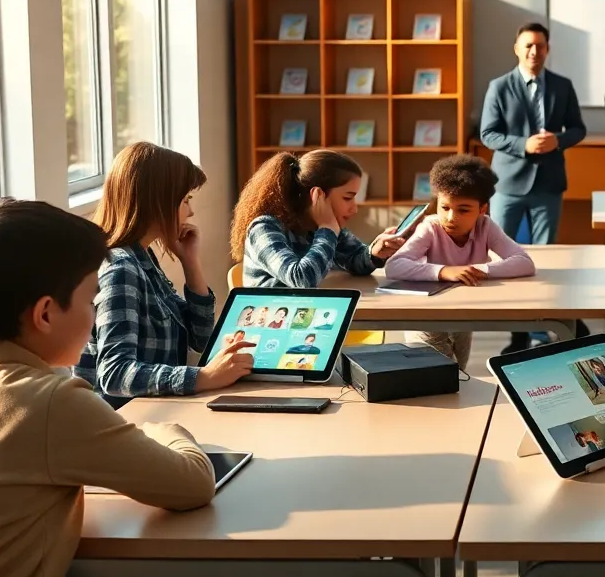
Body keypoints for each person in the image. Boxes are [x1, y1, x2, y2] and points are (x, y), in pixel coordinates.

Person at [0, 198, 302, 577]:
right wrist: (164, 430)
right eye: (90, 299)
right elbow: (193, 484)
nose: (96, 314)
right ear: (45, 314)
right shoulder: (50, 401)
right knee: (271, 567)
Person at [78, 143, 256, 407]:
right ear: (158, 202)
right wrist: (203, 377)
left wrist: (191, 263)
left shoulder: (143, 257)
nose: (191, 212)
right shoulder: (120, 270)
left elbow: (200, 339)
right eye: (185, 200)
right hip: (129, 425)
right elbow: (114, 375)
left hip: (160, 412)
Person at [480, 22, 586, 353]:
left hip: (548, 184)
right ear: (517, 48)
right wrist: (523, 144)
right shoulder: (499, 86)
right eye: (527, 46)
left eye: (539, 46)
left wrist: (558, 140)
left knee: (542, 260)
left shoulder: (562, 86)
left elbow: (579, 129)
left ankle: (542, 325)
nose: (533, 52)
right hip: (509, 184)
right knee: (504, 257)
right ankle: (518, 335)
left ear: (547, 49)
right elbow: (488, 134)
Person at [385, 154, 536, 367]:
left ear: (482, 209)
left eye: (463, 210)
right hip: (426, 316)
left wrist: (478, 269)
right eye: (444, 207)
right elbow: (394, 266)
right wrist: (444, 271)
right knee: (439, 372)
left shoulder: (486, 226)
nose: (450, 217)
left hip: (463, 312)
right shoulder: (430, 227)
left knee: (459, 372)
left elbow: (524, 262)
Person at [232, 150, 404, 288]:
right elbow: (302, 279)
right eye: (347, 198)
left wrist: (374, 253)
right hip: (269, 325)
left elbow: (355, 260)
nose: (354, 208)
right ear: (318, 195)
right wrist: (327, 229)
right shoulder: (265, 229)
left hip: (307, 318)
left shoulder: (320, 228)